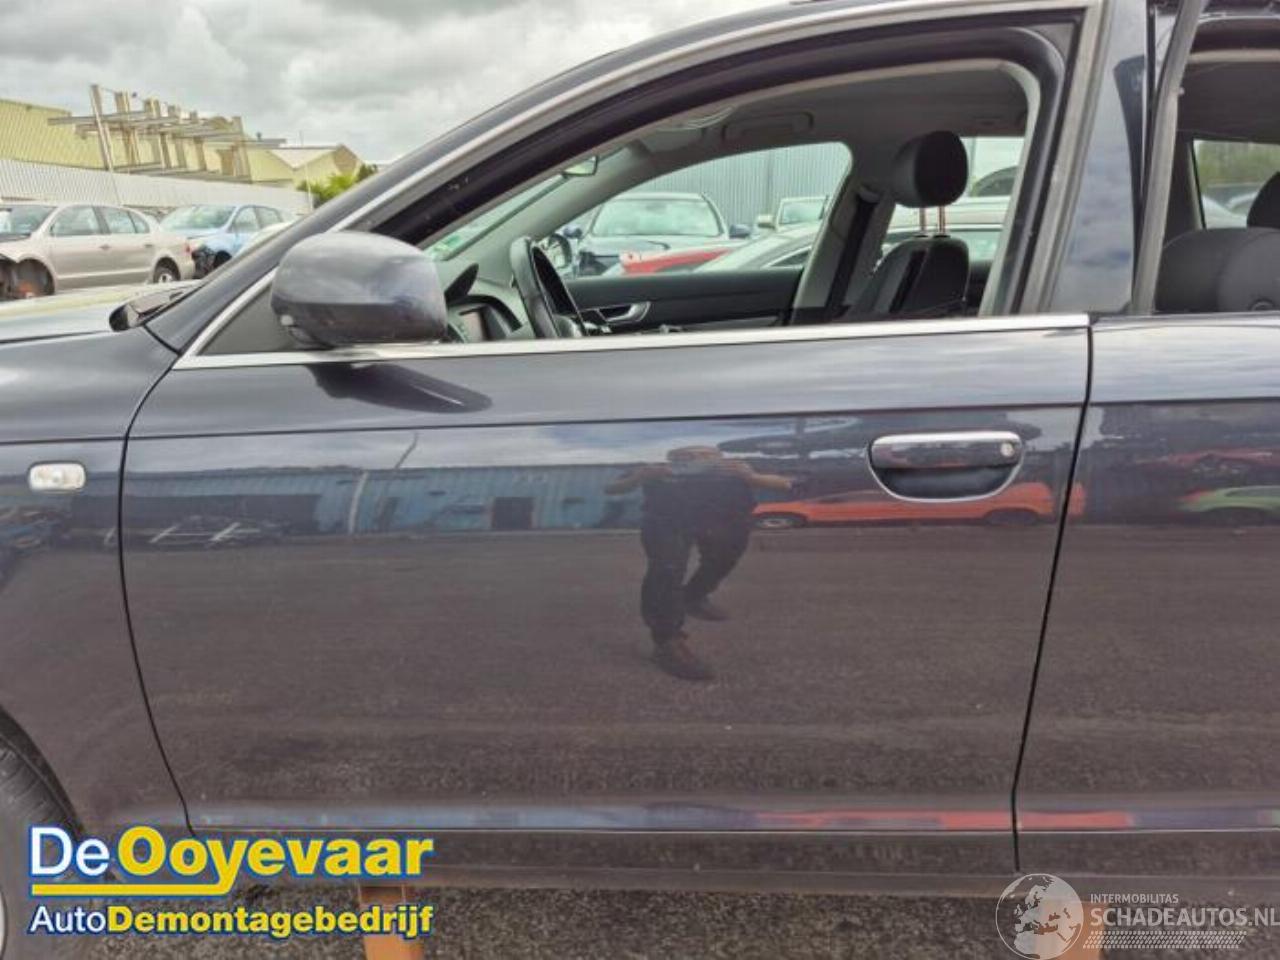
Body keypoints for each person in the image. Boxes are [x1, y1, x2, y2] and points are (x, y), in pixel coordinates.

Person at [606, 446, 791, 682]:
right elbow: (611, 489)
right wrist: (640, 477)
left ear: (718, 457)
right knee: (666, 570)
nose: (693, 459)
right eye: (683, 456)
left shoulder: (735, 467)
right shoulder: (654, 469)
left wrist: (751, 477)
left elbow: (784, 484)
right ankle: (667, 641)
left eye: (703, 455)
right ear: (671, 458)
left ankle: (692, 597)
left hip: (724, 521)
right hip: (667, 522)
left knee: (723, 559)